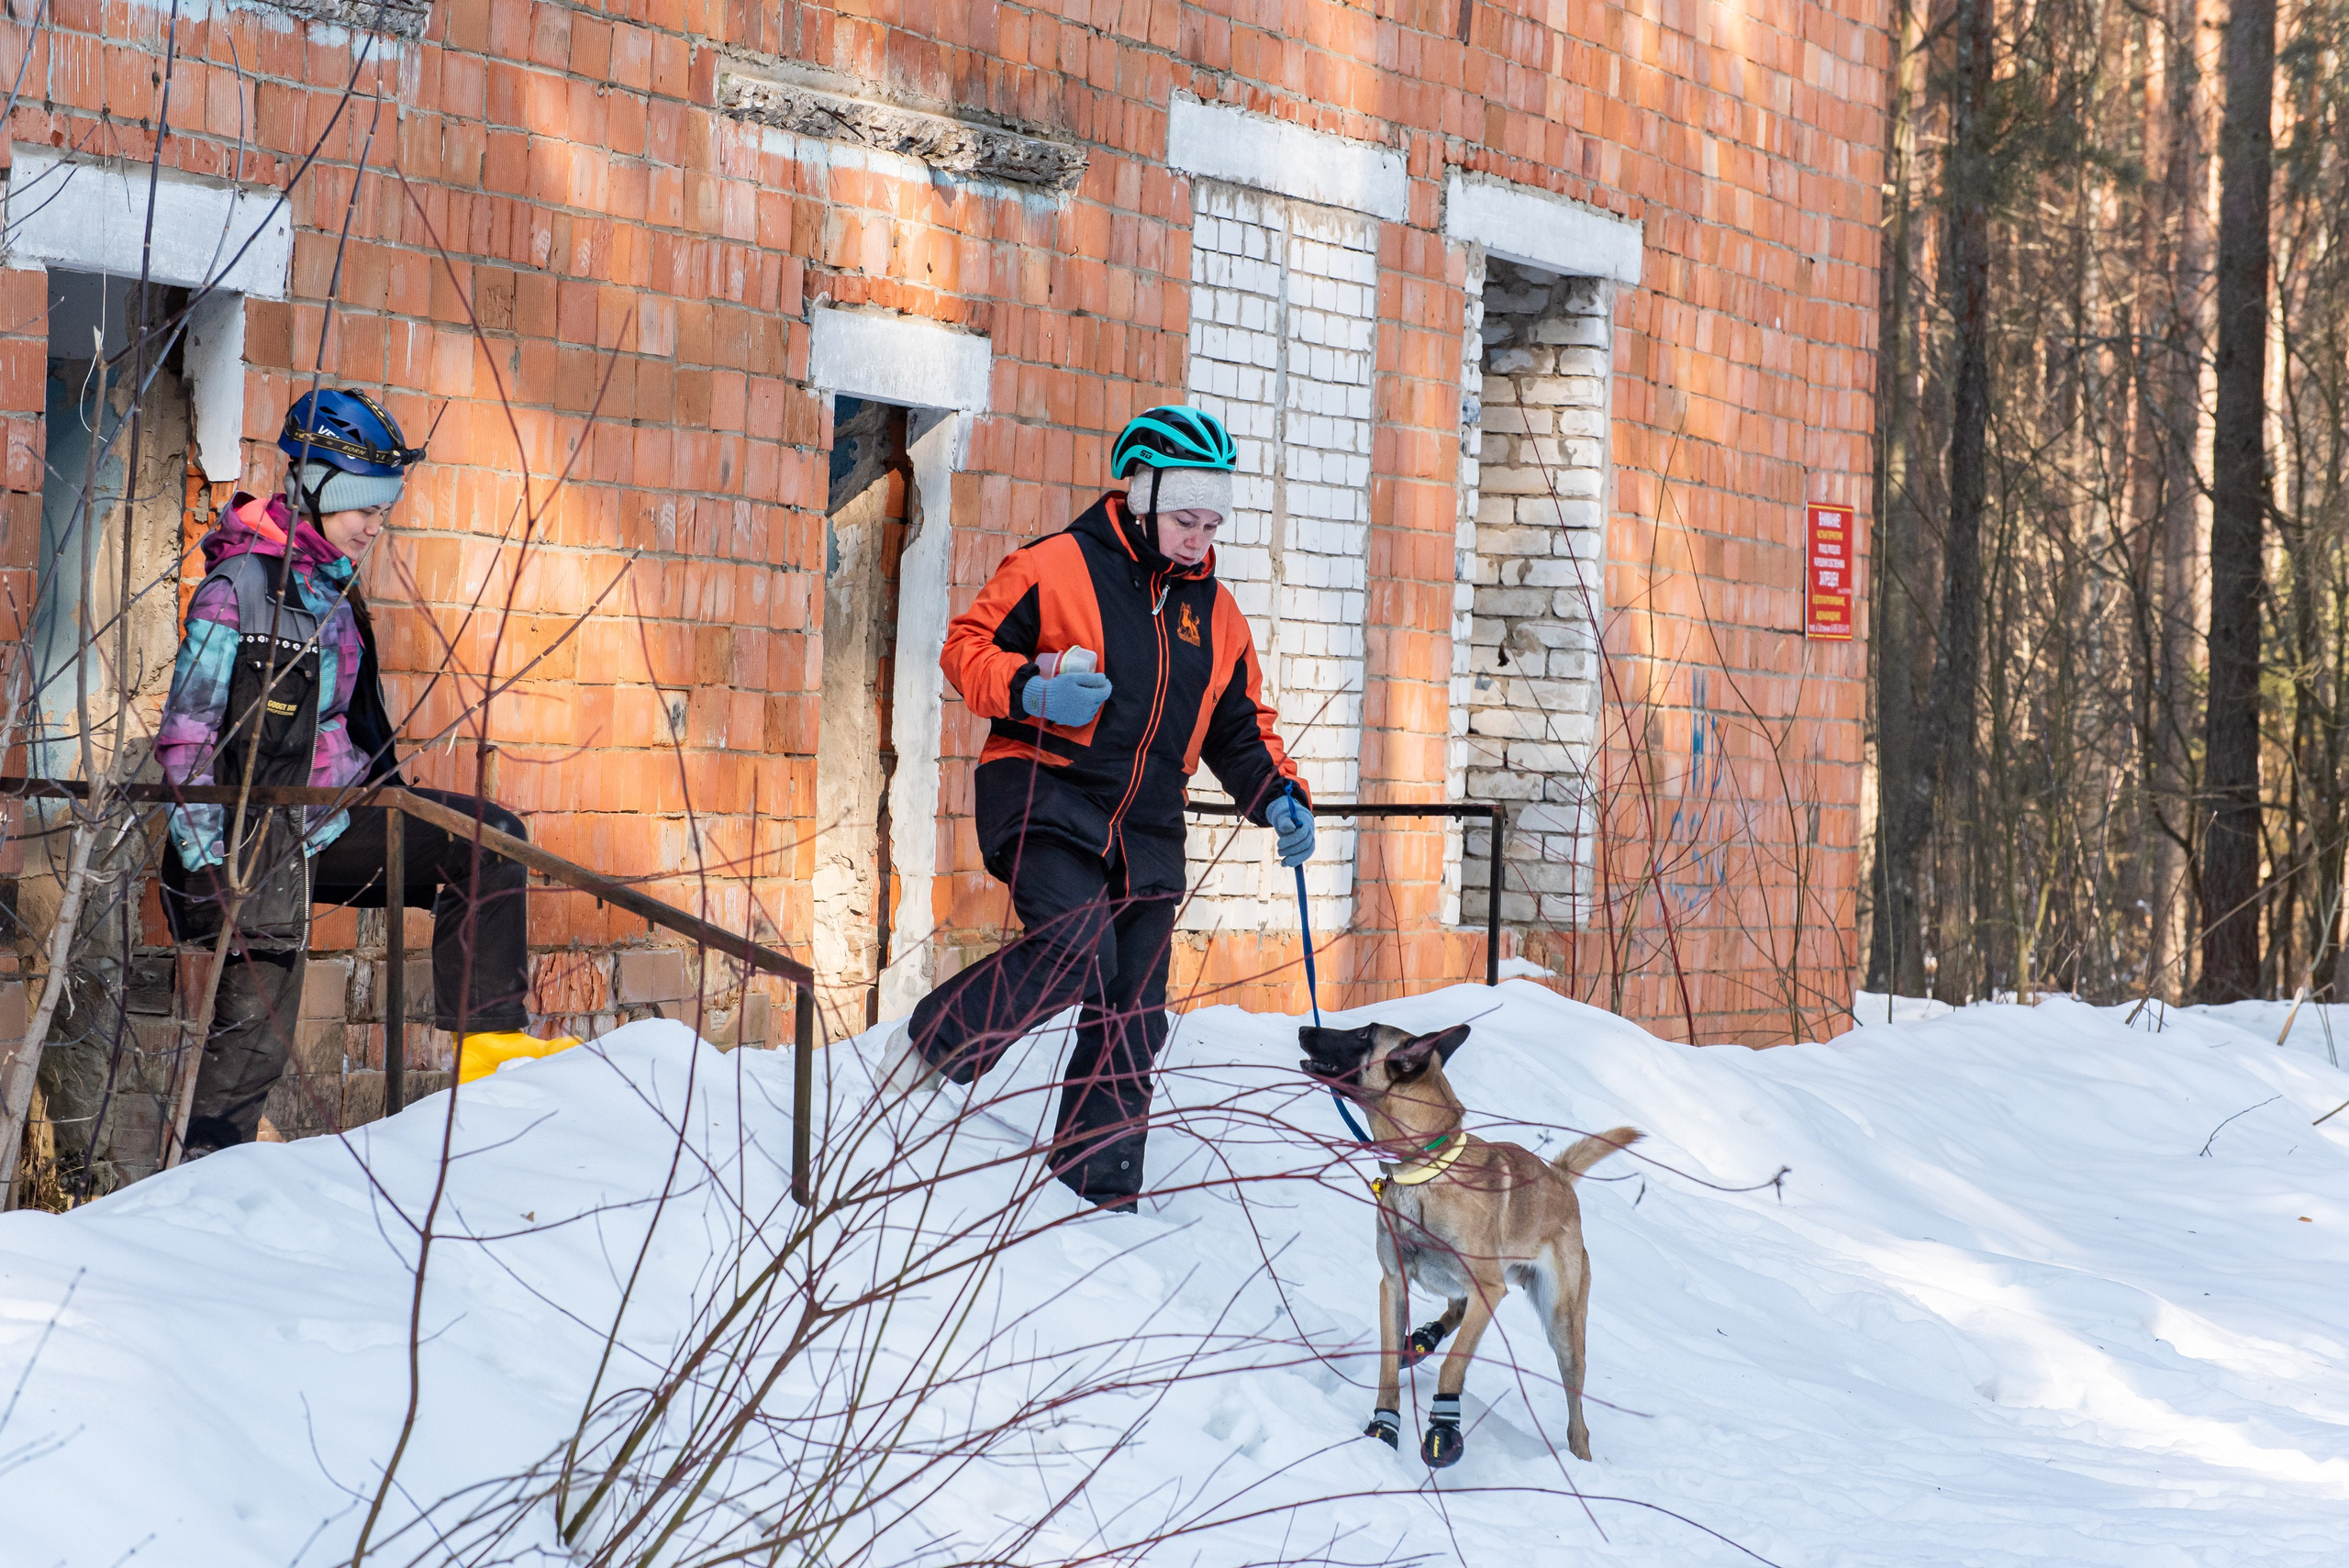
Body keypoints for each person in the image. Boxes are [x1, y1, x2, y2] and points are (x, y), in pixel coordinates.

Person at [881, 406, 1315, 1209]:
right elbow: (965, 646)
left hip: (1146, 830)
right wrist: (1030, 688)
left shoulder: (1216, 616)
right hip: (1046, 793)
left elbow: (1240, 730)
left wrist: (1281, 796)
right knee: (1076, 948)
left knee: (1134, 1014)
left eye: (1213, 522)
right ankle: (921, 1066)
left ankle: (1098, 1194)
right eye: (1186, 519)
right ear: (1143, 494)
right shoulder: (1057, 565)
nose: (1199, 538)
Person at [155, 388, 577, 1156]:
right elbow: (186, 742)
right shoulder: (237, 591)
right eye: (363, 508)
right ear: (315, 488)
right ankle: (201, 1182)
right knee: (256, 1040)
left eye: (383, 508)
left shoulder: (331, 587)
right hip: (263, 844)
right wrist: (212, 864)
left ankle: (488, 1069)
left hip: (340, 817)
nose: (376, 524)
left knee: (488, 844)